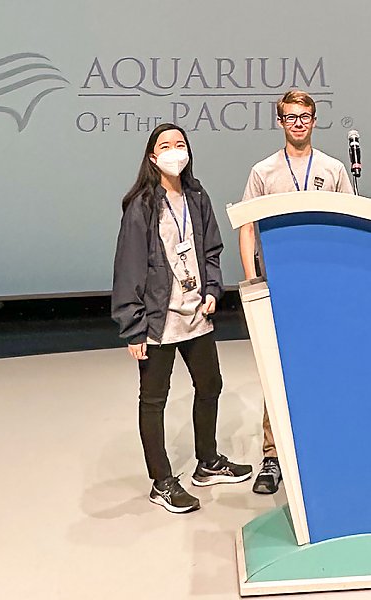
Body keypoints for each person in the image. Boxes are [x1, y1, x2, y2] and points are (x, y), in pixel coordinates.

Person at [112, 123, 252, 513]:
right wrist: (133, 326)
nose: (175, 151)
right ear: (152, 157)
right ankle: (162, 482)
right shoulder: (141, 204)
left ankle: (207, 462)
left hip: (196, 312)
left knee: (210, 385)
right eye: (166, 146)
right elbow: (128, 268)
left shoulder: (196, 194)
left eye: (180, 144)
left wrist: (212, 289)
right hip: (158, 318)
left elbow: (211, 248)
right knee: (154, 400)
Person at [239, 89, 354, 494]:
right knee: (278, 370)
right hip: (279, 285)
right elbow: (247, 227)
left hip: (325, 286)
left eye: (305, 115)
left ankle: (322, 449)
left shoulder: (334, 168)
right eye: (291, 117)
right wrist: (253, 279)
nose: (299, 122)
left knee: (326, 368)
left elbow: (350, 224)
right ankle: (273, 457)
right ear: (281, 121)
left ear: (315, 119)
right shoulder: (264, 171)